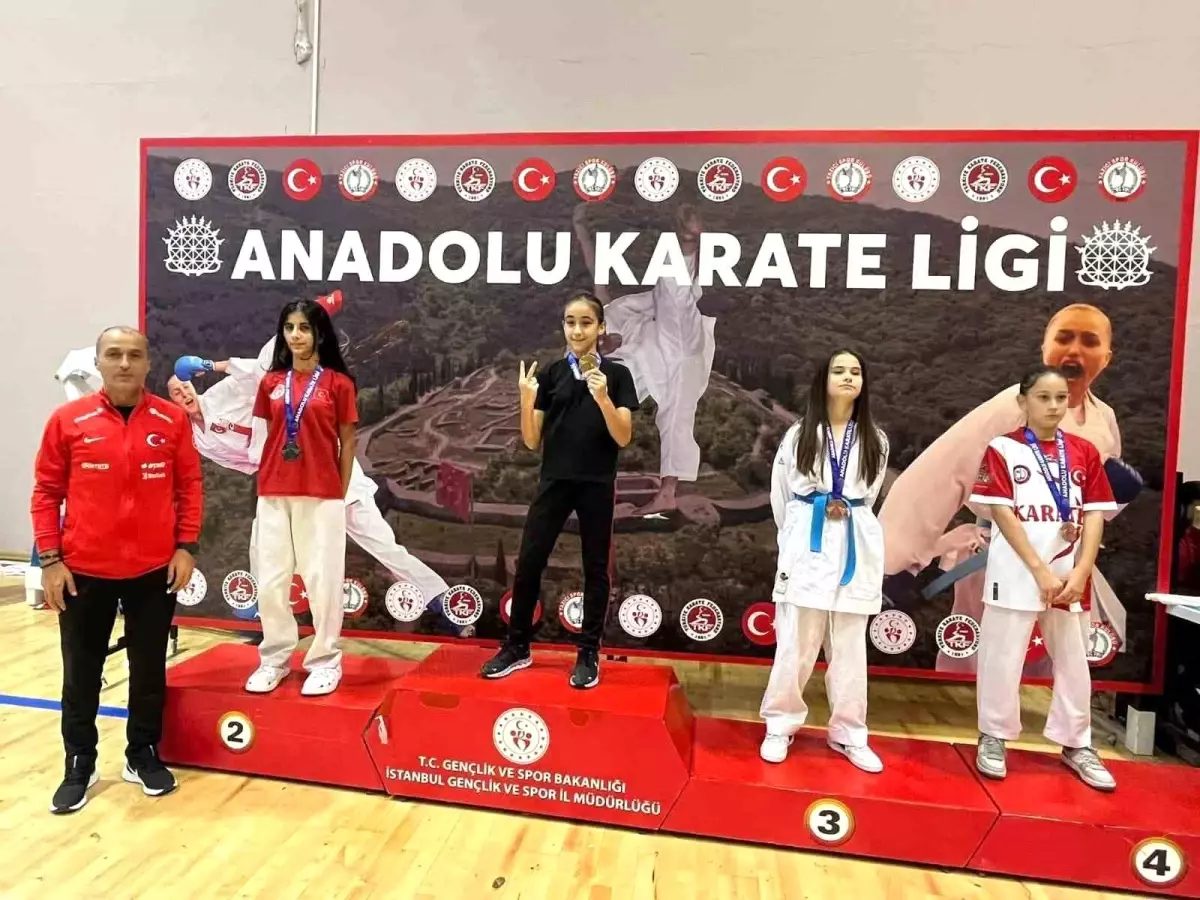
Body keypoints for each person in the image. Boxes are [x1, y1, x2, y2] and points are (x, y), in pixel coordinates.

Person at [880, 303, 1140, 673]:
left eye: (1089, 341)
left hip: (1065, 558)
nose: (1074, 351)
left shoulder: (1103, 417)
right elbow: (941, 472)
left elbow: (1097, 504)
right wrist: (899, 564)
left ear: (1106, 357)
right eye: (1064, 338)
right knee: (983, 661)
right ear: (1045, 347)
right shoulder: (1013, 406)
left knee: (1055, 664)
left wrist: (1115, 493)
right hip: (1001, 554)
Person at [167, 293, 451, 616]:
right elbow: (247, 462)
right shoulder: (201, 440)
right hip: (285, 478)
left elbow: (255, 369)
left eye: (185, 386)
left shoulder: (234, 389)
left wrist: (210, 366)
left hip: (329, 468)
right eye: (176, 392)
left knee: (380, 542)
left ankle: (439, 596)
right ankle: (262, 604)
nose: (184, 392)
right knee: (263, 539)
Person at [31, 326, 203, 814]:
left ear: (148, 363)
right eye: (114, 354)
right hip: (84, 571)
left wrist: (186, 547)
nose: (124, 363)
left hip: (154, 571)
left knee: (148, 671)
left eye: (134, 355)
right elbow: (46, 493)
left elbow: (190, 486)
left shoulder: (171, 419)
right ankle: (79, 762)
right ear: (99, 364)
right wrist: (51, 560)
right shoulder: (67, 420)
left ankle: (141, 753)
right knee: (80, 674)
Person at [480, 292, 639, 688]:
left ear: (601, 328)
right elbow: (532, 440)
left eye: (586, 322)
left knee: (595, 568)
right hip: (553, 482)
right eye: (571, 322)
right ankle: (517, 647)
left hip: (597, 484)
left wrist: (602, 397)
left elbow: (623, 436)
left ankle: (588, 652)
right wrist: (525, 399)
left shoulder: (618, 376)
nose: (577, 330)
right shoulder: (551, 374)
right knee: (530, 562)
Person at [970, 366, 1118, 791]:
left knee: (1073, 659)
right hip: (1017, 571)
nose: (1053, 406)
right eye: (1043, 397)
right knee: (1002, 657)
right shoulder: (1003, 448)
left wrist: (1082, 570)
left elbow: (1095, 514)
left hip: (1069, 574)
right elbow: (1002, 512)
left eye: (1060, 398)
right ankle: (994, 735)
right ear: (1023, 401)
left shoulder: (1084, 452)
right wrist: (1038, 570)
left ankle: (1077, 743)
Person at [758, 350, 889, 773]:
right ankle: (779, 725)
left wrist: (844, 514)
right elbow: (781, 494)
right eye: (839, 371)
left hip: (854, 541)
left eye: (856, 372)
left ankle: (849, 733)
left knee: (849, 647)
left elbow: (870, 497)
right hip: (807, 539)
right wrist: (794, 537)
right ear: (823, 380)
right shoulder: (800, 434)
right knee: (795, 642)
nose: (848, 377)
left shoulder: (875, 439)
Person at [243, 299, 358, 697]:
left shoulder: (338, 384)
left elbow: (348, 442)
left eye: (304, 328)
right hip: (274, 492)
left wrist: (339, 492)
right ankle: (274, 659)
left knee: (322, 580)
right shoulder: (271, 382)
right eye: (289, 327)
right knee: (271, 580)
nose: (295, 335)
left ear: (319, 334)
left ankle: (325, 661)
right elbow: (264, 437)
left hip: (321, 494)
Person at [575, 203, 715, 516]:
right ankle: (643, 493)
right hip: (654, 361)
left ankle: (688, 244)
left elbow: (598, 274)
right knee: (670, 417)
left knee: (673, 298)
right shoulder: (599, 359)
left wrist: (581, 230)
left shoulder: (614, 314)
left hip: (669, 338)